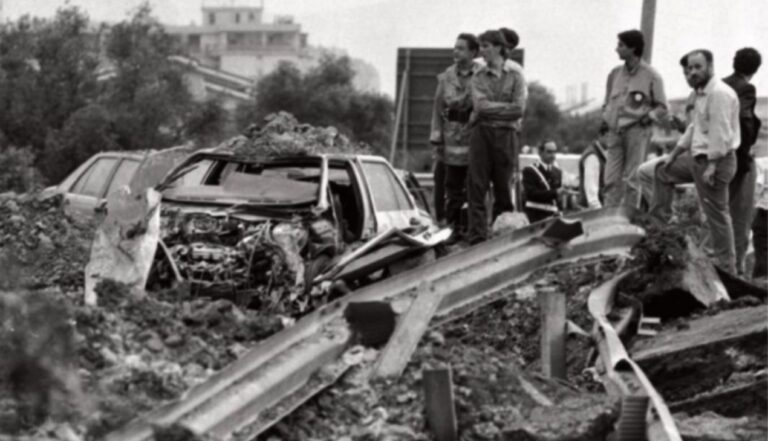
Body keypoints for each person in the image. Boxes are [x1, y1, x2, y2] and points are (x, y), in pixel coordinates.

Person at [658, 50, 741, 273]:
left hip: (716, 161)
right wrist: (674, 154)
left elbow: (720, 133)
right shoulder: (701, 94)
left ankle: (727, 269)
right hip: (698, 159)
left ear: (710, 66)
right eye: (690, 69)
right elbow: (694, 128)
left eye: (698, 67)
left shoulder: (719, 94)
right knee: (658, 171)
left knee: (717, 216)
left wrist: (713, 165)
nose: (693, 72)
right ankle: (663, 229)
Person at [466, 30, 526, 245]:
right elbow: (480, 107)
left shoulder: (516, 75)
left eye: (485, 46)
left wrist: (495, 110)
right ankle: (477, 238)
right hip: (482, 134)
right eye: (480, 47)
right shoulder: (478, 76)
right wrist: (505, 108)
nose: (481, 52)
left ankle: (503, 237)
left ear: (499, 48)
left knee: (503, 187)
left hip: (506, 135)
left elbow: (519, 109)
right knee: (477, 186)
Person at [601, 29, 667, 208]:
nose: (617, 49)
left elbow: (662, 107)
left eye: (621, 45)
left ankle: (630, 220)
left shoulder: (652, 76)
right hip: (614, 131)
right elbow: (607, 101)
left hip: (637, 131)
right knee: (610, 179)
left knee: (633, 179)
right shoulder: (614, 74)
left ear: (633, 49)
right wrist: (604, 119)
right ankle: (609, 218)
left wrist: (649, 117)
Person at [429, 33, 480, 238]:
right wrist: (436, 139)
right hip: (450, 138)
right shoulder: (446, 77)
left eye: (461, 48)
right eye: (455, 47)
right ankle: (453, 227)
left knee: (475, 186)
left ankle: (473, 227)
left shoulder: (482, 75)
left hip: (474, 137)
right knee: (452, 186)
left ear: (473, 52)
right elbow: (437, 108)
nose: (455, 51)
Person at [723, 48, 762, 275]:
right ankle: (735, 271)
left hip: (715, 158)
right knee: (740, 219)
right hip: (738, 161)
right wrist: (745, 152)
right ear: (756, 69)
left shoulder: (719, 85)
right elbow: (745, 121)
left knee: (717, 216)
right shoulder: (745, 88)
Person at [523, 140, 563, 222]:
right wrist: (555, 192)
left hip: (553, 216)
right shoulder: (530, 171)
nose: (553, 155)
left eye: (554, 152)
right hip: (536, 216)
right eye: (549, 152)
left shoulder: (557, 172)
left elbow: (557, 200)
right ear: (540, 153)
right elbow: (532, 194)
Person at [579, 127, 608, 209]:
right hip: (592, 212)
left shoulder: (601, 154)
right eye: (608, 136)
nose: (612, 140)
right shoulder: (592, 156)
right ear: (600, 135)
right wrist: (601, 212)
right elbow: (591, 195)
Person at [753, 157, 768, 280]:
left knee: (762, 249)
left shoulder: (762, 163)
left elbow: (758, 188)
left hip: (765, 212)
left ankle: (761, 278)